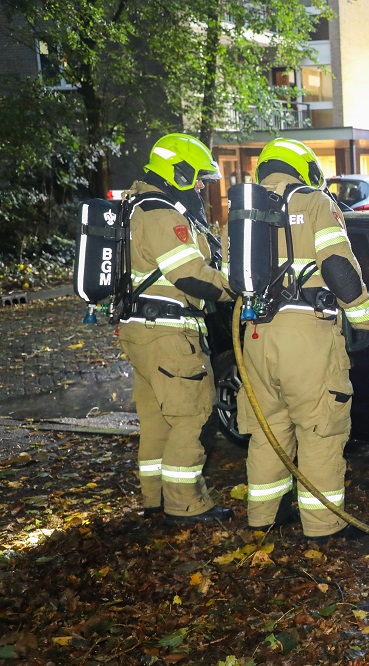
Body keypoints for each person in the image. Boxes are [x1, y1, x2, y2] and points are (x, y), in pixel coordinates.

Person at [237, 137, 369, 543]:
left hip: (256, 335)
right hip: (307, 336)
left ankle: (263, 517)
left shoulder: (244, 210)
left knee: (268, 429)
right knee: (320, 430)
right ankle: (324, 526)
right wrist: (364, 320)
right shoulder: (314, 201)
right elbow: (338, 266)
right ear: (306, 169)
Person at [118, 133, 234, 526]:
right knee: (190, 418)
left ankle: (154, 500)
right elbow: (189, 275)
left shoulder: (135, 206)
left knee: (155, 421)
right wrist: (235, 287)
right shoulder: (163, 213)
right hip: (170, 334)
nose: (201, 186)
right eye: (198, 177)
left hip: (140, 330)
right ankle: (186, 506)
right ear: (179, 171)